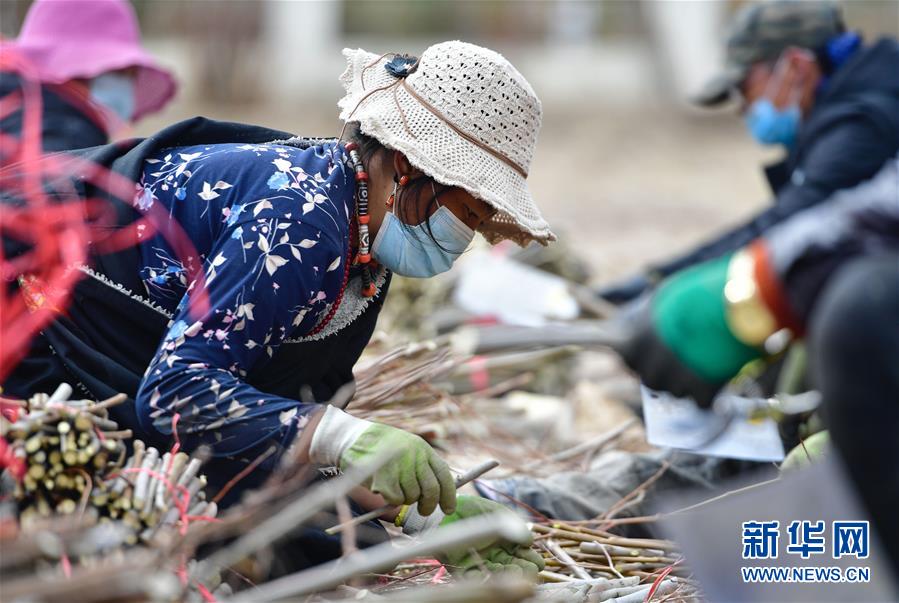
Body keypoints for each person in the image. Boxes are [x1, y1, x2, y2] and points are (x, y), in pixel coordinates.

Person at [2, 41, 551, 576]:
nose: (468, 235)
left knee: (336, 537)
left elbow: (282, 415)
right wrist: (343, 437)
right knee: (266, 543)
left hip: (136, 356)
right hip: (34, 308)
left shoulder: (369, 241)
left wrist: (429, 515)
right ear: (407, 167)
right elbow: (177, 395)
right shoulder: (300, 219)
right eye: (468, 210)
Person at [614, 157, 899, 573]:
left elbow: (850, 213)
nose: (747, 109)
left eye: (747, 91)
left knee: (859, 309)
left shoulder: (862, 119)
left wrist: (759, 286)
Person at [599, 0, 899, 304]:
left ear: (795, 67)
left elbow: (782, 229)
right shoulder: (867, 102)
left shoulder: (863, 127)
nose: (742, 110)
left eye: (744, 90)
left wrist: (659, 284)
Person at [0, 0, 176, 154]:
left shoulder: (19, 122)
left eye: (132, 75)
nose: (127, 86)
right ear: (74, 73)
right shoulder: (64, 138)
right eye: (119, 72)